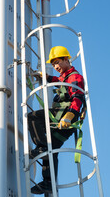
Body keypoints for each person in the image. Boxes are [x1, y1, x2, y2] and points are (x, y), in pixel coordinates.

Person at [28, 46, 85, 195]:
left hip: (65, 115)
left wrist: (69, 116)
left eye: (58, 62)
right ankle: (48, 183)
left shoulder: (75, 77)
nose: (56, 66)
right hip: (63, 118)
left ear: (66, 59)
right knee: (51, 148)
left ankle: (41, 148)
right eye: (53, 64)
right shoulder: (64, 77)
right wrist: (45, 77)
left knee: (33, 117)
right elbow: (57, 80)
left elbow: (77, 99)